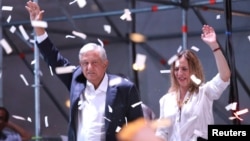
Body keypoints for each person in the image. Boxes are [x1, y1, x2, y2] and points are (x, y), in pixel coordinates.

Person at [25, 1, 144, 141]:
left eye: (94, 63)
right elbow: (53, 58)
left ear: (105, 64)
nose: (89, 68)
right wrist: (38, 28)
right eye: (85, 63)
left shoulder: (124, 87)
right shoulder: (76, 79)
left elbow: (138, 127)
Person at [155, 25, 231, 141]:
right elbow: (162, 132)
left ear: (194, 70)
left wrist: (214, 46)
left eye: (184, 69)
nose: (179, 73)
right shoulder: (166, 100)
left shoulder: (204, 92)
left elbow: (225, 76)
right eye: (176, 69)